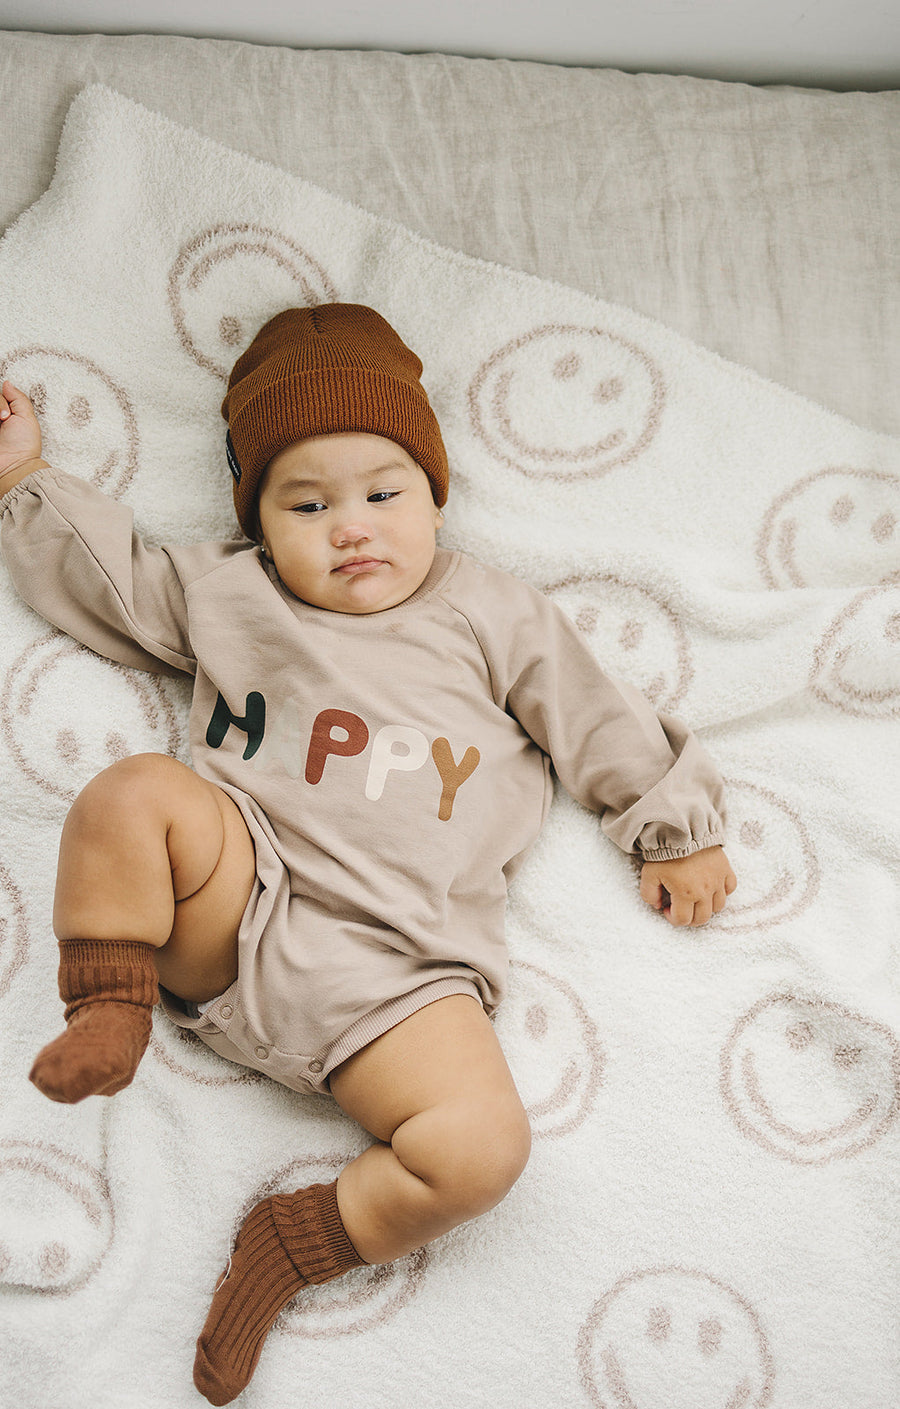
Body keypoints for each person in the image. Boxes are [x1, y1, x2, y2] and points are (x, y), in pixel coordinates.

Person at [0, 304, 736, 1405]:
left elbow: (591, 709)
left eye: (385, 494)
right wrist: (24, 479)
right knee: (132, 790)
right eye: (307, 503)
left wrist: (673, 824)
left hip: (401, 975)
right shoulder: (229, 589)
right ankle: (109, 1000)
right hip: (235, 903)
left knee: (482, 1149)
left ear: (436, 493)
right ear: (259, 520)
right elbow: (109, 584)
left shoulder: (490, 609)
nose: (352, 528)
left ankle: (293, 1240)